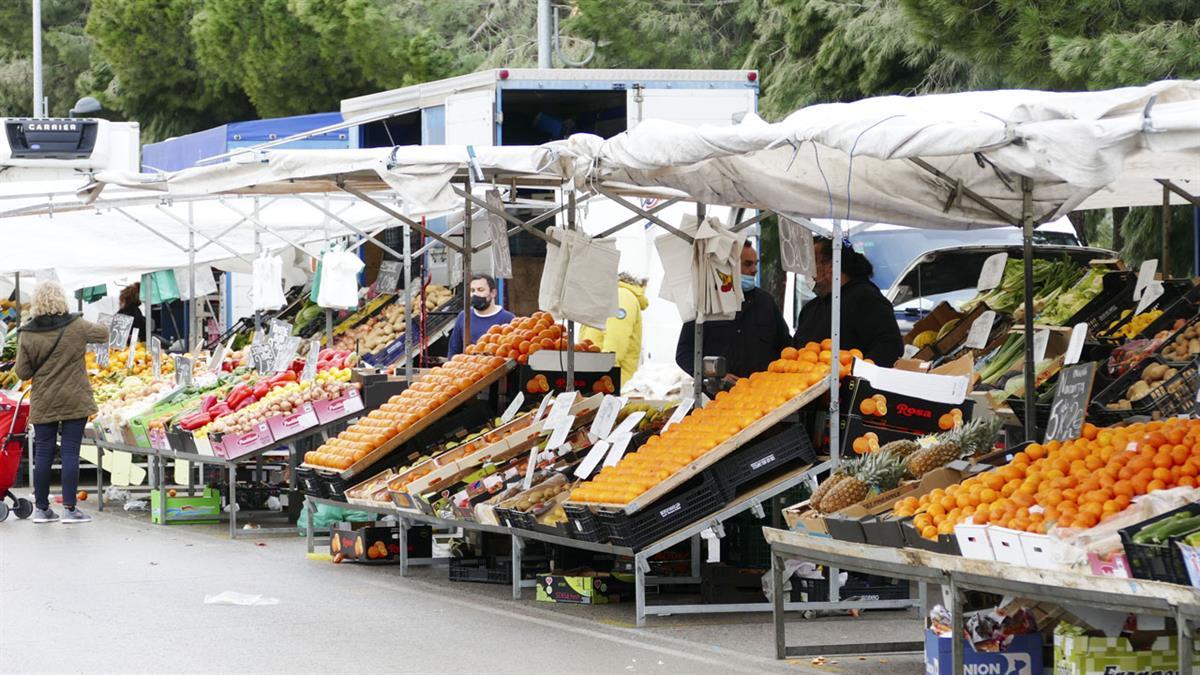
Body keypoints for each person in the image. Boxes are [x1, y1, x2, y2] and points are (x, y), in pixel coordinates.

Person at [14, 281, 110, 524]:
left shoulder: (26, 333)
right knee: (70, 451)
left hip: (44, 399)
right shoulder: (76, 325)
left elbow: (23, 373)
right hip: (74, 398)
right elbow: (103, 333)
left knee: (43, 452)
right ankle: (70, 509)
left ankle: (42, 510)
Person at [676, 242, 791, 383]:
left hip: (763, 395)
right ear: (729, 266)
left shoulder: (765, 302)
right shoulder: (707, 303)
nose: (755, 270)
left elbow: (786, 346)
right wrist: (712, 374)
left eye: (756, 264)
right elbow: (684, 352)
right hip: (718, 396)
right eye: (748, 264)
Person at [792, 237, 904, 367]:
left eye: (812, 263)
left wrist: (853, 372)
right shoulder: (809, 310)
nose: (808, 271)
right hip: (806, 383)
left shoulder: (867, 299)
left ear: (832, 266)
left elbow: (889, 347)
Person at [579, 273, 649, 386]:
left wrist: (605, 374)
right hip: (600, 377)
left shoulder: (621, 296)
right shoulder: (612, 296)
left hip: (609, 380)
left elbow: (616, 338)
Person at [447, 274, 515, 359]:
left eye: (480, 290)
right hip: (468, 369)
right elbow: (454, 350)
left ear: (493, 293)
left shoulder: (508, 319)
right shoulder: (464, 317)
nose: (476, 294)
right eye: (472, 290)